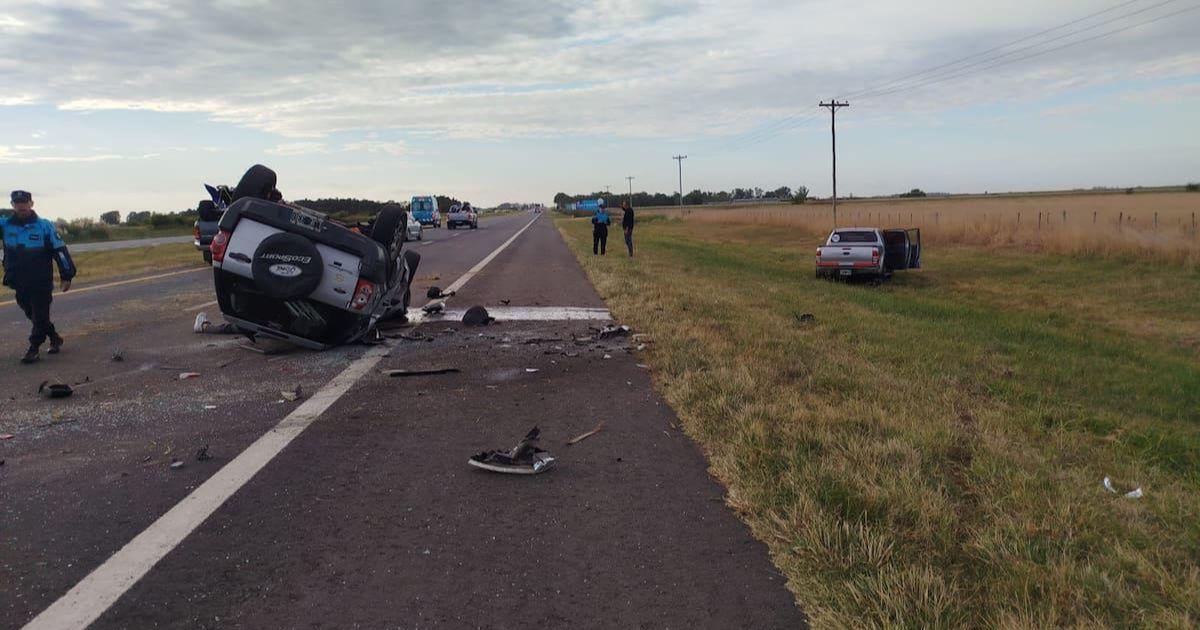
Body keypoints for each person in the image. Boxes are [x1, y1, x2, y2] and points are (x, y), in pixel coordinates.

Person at [2, 190, 75, 364]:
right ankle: (55, 337)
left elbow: (60, 252)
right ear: (12, 205)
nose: (21, 206)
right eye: (17, 202)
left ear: (31, 203)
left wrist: (66, 275)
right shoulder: (5, 226)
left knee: (40, 314)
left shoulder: (44, 226)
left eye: (24, 202)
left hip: (40, 280)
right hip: (18, 280)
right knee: (32, 313)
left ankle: (33, 348)